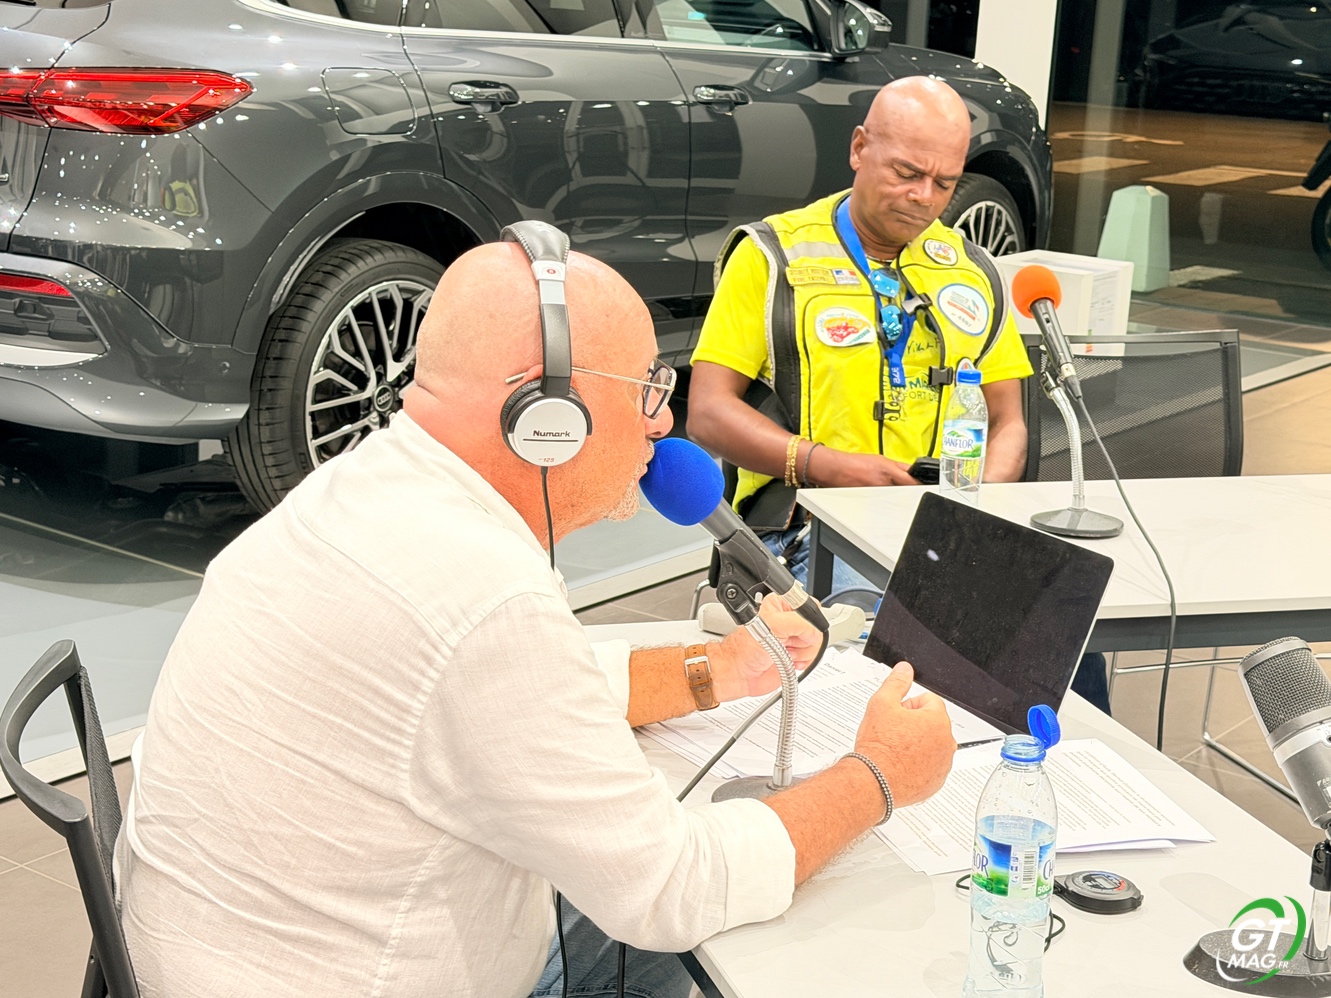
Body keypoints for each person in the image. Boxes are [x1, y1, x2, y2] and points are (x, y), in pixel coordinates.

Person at [113, 236, 958, 998]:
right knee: (740, 926)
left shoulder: (370, 487)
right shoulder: (482, 595)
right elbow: (668, 888)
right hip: (342, 974)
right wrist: (879, 775)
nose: (662, 422)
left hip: (228, 950)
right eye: (646, 388)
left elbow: (515, 691)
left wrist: (723, 670)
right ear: (544, 417)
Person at [687, 77, 1111, 711]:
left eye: (944, 183)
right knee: (924, 641)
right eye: (907, 173)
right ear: (860, 147)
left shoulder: (969, 268)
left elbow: (1009, 422)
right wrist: (826, 465)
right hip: (814, 531)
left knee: (1069, 634)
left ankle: (1062, 768)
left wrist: (976, 499)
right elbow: (707, 412)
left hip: (946, 527)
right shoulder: (773, 256)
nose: (924, 198)